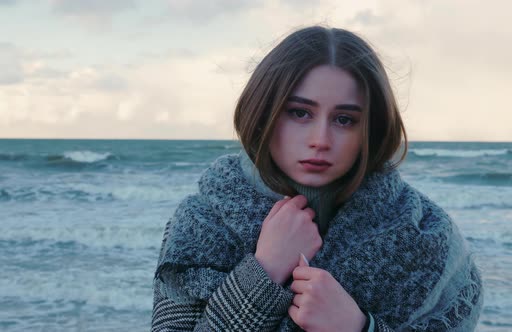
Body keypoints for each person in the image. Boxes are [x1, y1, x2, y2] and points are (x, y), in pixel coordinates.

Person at [151, 26, 483, 331]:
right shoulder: (201, 222)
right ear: (263, 111)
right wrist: (264, 270)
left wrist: (357, 327)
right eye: (299, 112)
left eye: (344, 119)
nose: (320, 139)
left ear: (372, 128)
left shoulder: (425, 233)